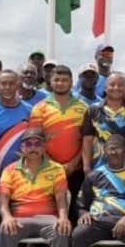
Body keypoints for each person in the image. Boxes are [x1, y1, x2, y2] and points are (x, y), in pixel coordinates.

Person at [0, 128, 72, 247]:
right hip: (19, 216)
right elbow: (3, 199)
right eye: (28, 144)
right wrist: (7, 217)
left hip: (47, 216)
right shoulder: (10, 170)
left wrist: (63, 217)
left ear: (44, 147)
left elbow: (61, 198)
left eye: (37, 143)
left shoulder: (56, 169)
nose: (33, 147)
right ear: (21, 147)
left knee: (61, 231)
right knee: (5, 231)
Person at [28, 64, 90, 212]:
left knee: (75, 212)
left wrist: (73, 163)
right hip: (46, 169)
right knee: (51, 212)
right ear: (50, 81)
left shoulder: (83, 108)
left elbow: (87, 141)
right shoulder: (39, 108)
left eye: (64, 80)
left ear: (71, 81)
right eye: (57, 79)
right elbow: (34, 141)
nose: (60, 83)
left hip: (76, 170)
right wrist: (54, 165)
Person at [81, 71, 125, 173]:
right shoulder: (93, 110)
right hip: (100, 171)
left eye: (120, 85)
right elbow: (87, 141)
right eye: (112, 84)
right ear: (105, 88)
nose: (116, 88)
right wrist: (86, 168)